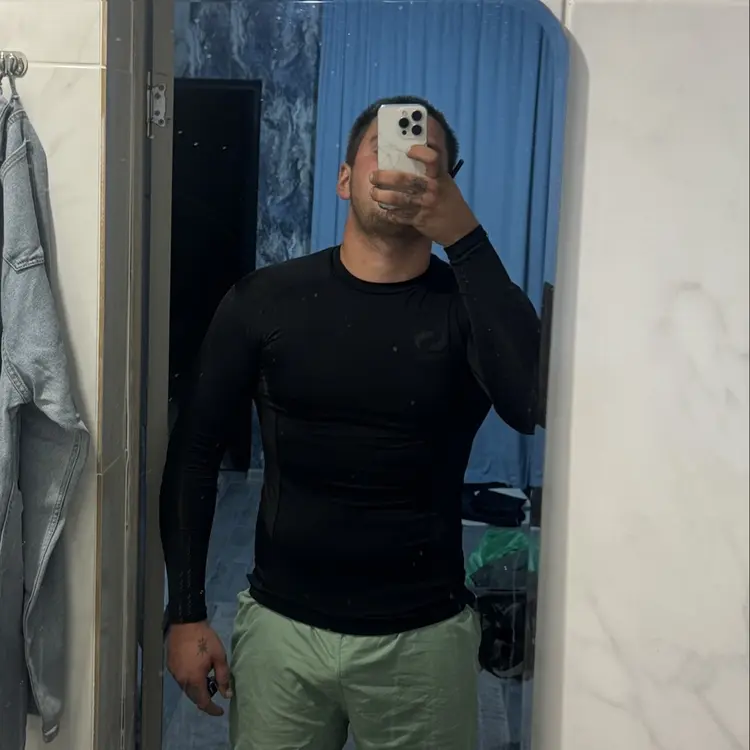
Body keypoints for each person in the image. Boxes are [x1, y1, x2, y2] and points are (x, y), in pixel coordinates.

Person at [160, 95, 541, 750]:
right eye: (384, 149)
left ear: (447, 185)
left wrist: (465, 237)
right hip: (280, 632)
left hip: (425, 641)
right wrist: (186, 612)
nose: (403, 165)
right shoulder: (266, 300)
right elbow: (195, 453)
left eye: (426, 159)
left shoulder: (469, 309)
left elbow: (529, 402)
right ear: (344, 179)